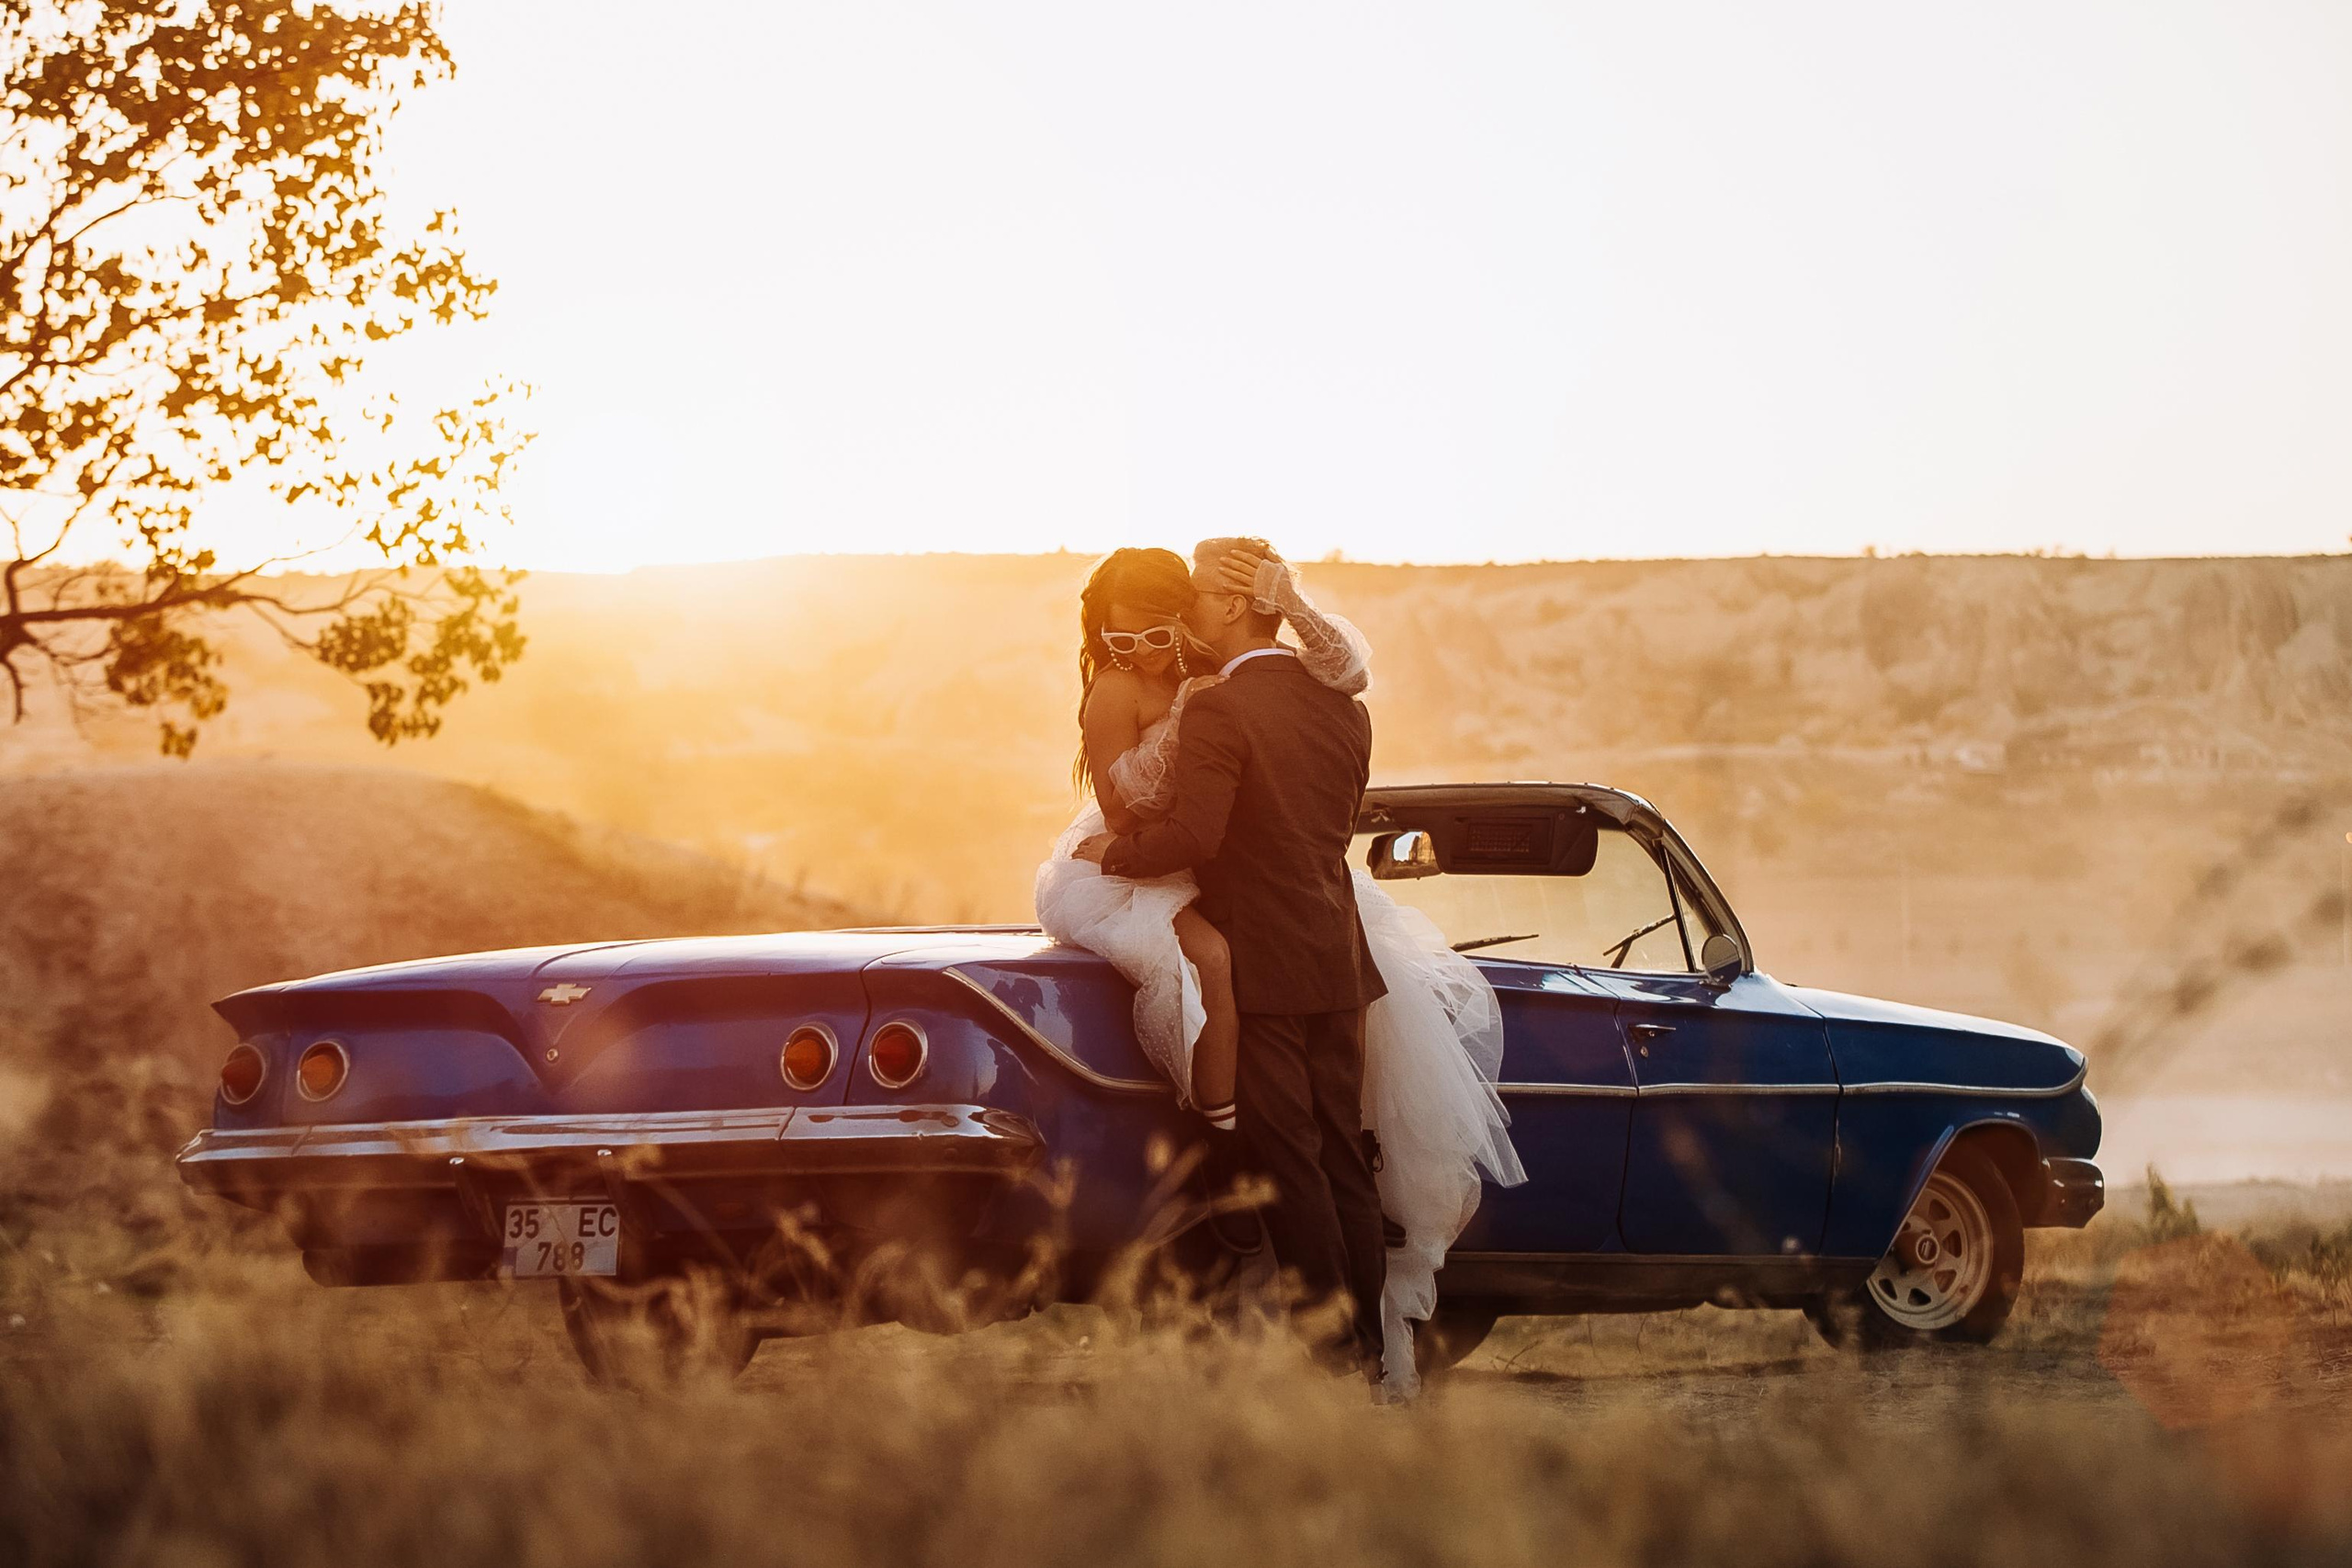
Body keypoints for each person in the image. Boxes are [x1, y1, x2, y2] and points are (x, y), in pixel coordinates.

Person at [1035, 539, 1524, 1395]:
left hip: (1261, 960)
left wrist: (1108, 857)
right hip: (1340, 954)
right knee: (1347, 1159)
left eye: (1197, 594)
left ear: (1232, 606)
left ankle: (1336, 1356)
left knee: (1294, 1161)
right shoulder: (1344, 707)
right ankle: (1373, 1354)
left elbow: (1197, 837)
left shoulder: (1222, 708)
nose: (1185, 608)